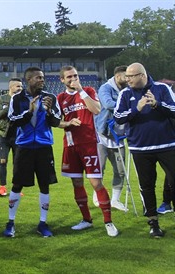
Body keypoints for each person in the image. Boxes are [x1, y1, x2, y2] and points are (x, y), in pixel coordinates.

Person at [114, 62, 175, 238]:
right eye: (126, 76)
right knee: (147, 186)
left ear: (142, 75)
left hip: (167, 145)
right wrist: (137, 108)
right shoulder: (125, 94)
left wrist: (157, 104)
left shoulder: (162, 88)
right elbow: (118, 117)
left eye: (131, 76)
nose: (127, 79)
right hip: (140, 147)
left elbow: (174, 109)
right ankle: (153, 223)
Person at [56, 66, 118, 237]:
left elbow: (96, 110)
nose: (73, 79)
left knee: (96, 183)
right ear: (62, 80)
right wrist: (68, 124)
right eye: (69, 77)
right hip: (70, 145)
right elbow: (55, 121)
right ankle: (86, 220)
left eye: (75, 75)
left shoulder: (88, 90)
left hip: (89, 143)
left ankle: (108, 222)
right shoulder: (60, 98)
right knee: (76, 183)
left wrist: (81, 91)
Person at [3, 66, 61, 238]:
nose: (42, 80)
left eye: (42, 78)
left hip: (44, 147)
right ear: (28, 80)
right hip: (24, 147)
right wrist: (29, 112)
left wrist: (49, 112)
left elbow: (57, 121)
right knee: (17, 184)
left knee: (44, 185)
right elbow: (12, 120)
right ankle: (10, 222)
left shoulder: (51, 97)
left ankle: (43, 223)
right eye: (38, 78)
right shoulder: (18, 99)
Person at [93, 66, 128, 211]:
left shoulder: (128, 89)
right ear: (118, 76)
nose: (128, 79)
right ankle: (97, 196)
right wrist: (129, 106)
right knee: (99, 168)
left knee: (120, 170)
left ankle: (115, 199)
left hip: (119, 136)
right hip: (102, 134)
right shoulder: (105, 88)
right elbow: (107, 104)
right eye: (126, 76)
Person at [0, 78, 22, 196]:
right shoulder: (2, 99)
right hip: (4, 136)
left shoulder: (23, 100)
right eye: (18, 86)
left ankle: (16, 188)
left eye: (21, 87)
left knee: (17, 163)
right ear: (11, 87)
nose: (20, 89)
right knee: (2, 161)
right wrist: (10, 105)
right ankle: (2, 187)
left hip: (18, 136)